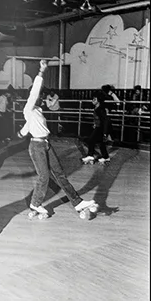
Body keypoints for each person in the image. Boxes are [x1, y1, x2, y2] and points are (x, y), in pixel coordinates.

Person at [21, 60, 97, 220]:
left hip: (46, 144)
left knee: (60, 175)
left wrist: (21, 132)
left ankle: (77, 202)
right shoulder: (28, 107)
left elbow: (29, 126)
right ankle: (35, 203)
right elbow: (34, 92)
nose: (41, 98)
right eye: (40, 95)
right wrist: (41, 71)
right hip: (36, 146)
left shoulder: (37, 111)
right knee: (44, 176)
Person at [81, 91, 110, 164]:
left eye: (94, 99)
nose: (92, 101)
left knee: (91, 140)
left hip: (101, 128)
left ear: (99, 100)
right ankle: (106, 157)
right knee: (101, 143)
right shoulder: (97, 108)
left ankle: (90, 155)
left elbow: (105, 120)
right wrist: (95, 123)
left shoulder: (100, 109)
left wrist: (105, 133)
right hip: (99, 126)